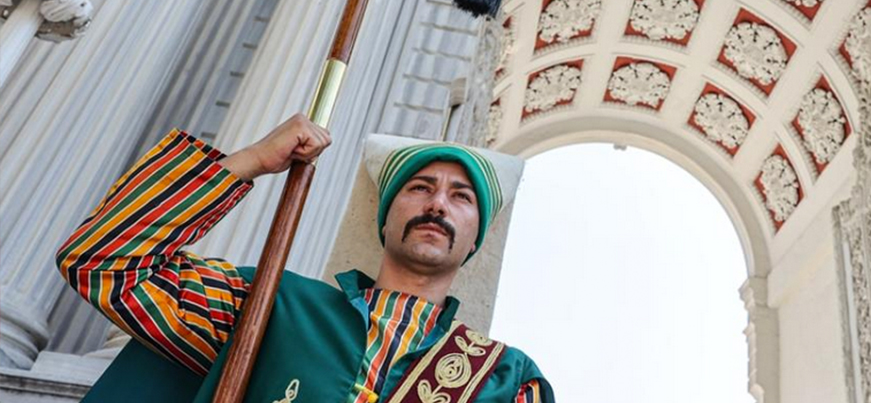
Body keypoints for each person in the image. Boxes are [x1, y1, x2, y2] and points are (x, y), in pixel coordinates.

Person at [57, 114, 552, 403]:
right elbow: (102, 260)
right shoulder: (269, 303)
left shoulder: (505, 379)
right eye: (420, 187)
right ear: (384, 219)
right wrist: (252, 160)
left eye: (462, 197)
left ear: (475, 240)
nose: (438, 204)